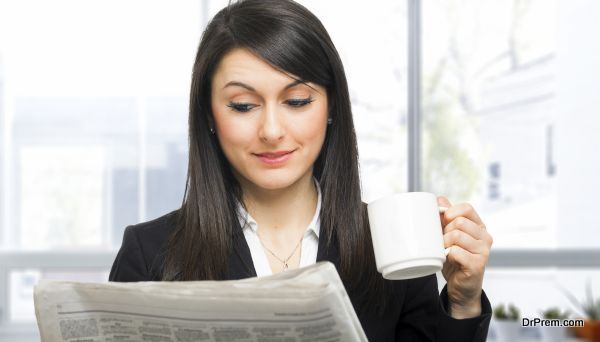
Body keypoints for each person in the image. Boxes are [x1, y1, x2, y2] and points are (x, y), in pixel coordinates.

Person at [109, 0, 494, 341]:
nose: (272, 131)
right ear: (210, 115)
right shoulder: (151, 255)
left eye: (296, 101)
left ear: (330, 110)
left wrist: (462, 301)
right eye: (243, 105)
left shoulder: (389, 248)